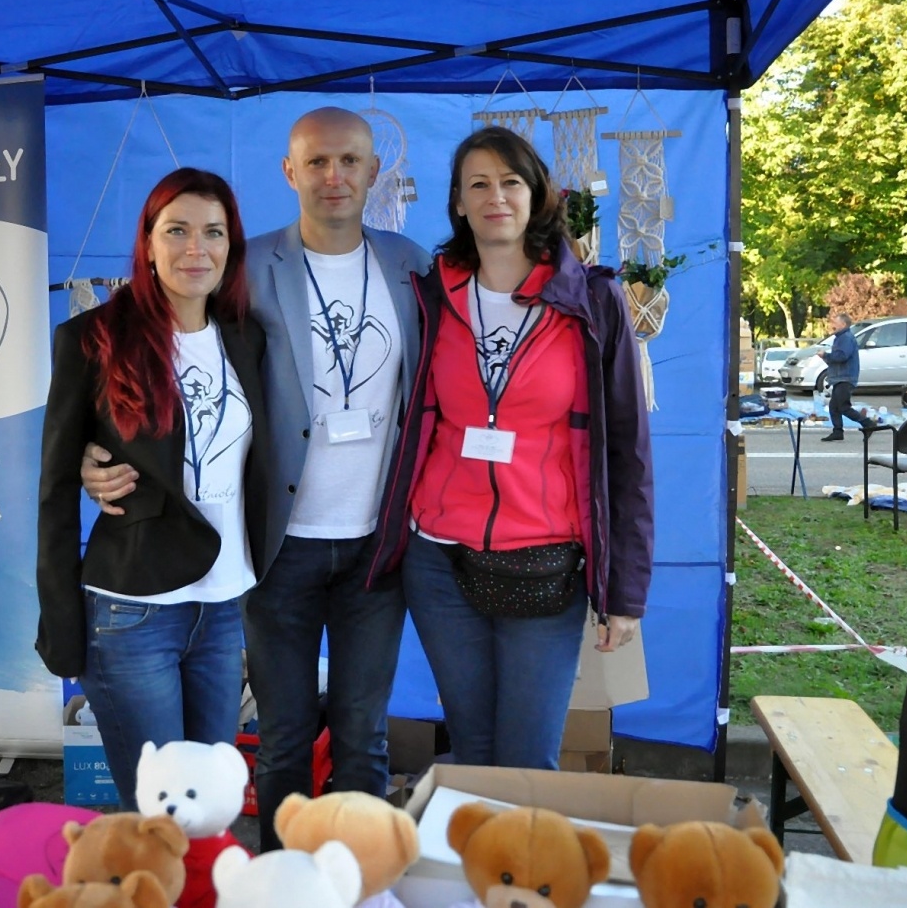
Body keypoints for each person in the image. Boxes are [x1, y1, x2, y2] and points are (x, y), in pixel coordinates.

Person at [82, 107, 431, 848]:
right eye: (316, 162)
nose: (333, 176)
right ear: (290, 172)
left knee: (364, 735)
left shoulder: (411, 264)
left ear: (375, 172)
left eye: (349, 161)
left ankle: (357, 881)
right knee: (284, 736)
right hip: (276, 546)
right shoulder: (246, 266)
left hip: (377, 545)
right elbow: (153, 346)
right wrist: (93, 446)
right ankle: (280, 877)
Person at [371, 125, 653, 769]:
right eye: (478, 184)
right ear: (458, 203)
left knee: (528, 760)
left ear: (536, 195)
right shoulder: (429, 296)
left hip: (546, 567)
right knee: (472, 750)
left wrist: (624, 593)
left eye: (510, 181)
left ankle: (529, 872)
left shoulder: (593, 301)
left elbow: (629, 456)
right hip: (438, 560)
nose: (495, 196)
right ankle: (477, 871)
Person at [37, 167, 271, 810]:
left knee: (212, 806)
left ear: (232, 246)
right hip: (132, 610)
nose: (197, 248)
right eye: (178, 231)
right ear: (147, 243)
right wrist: (59, 619)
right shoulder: (92, 338)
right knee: (159, 815)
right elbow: (56, 490)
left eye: (213, 232)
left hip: (225, 607)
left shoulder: (249, 338)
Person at [819, 312, 878, 441]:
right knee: (834, 406)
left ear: (844, 324)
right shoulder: (840, 338)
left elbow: (842, 356)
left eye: (836, 323)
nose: (833, 325)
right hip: (840, 377)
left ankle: (867, 423)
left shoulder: (845, 338)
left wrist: (826, 355)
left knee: (843, 406)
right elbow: (838, 358)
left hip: (845, 377)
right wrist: (827, 358)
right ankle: (838, 431)